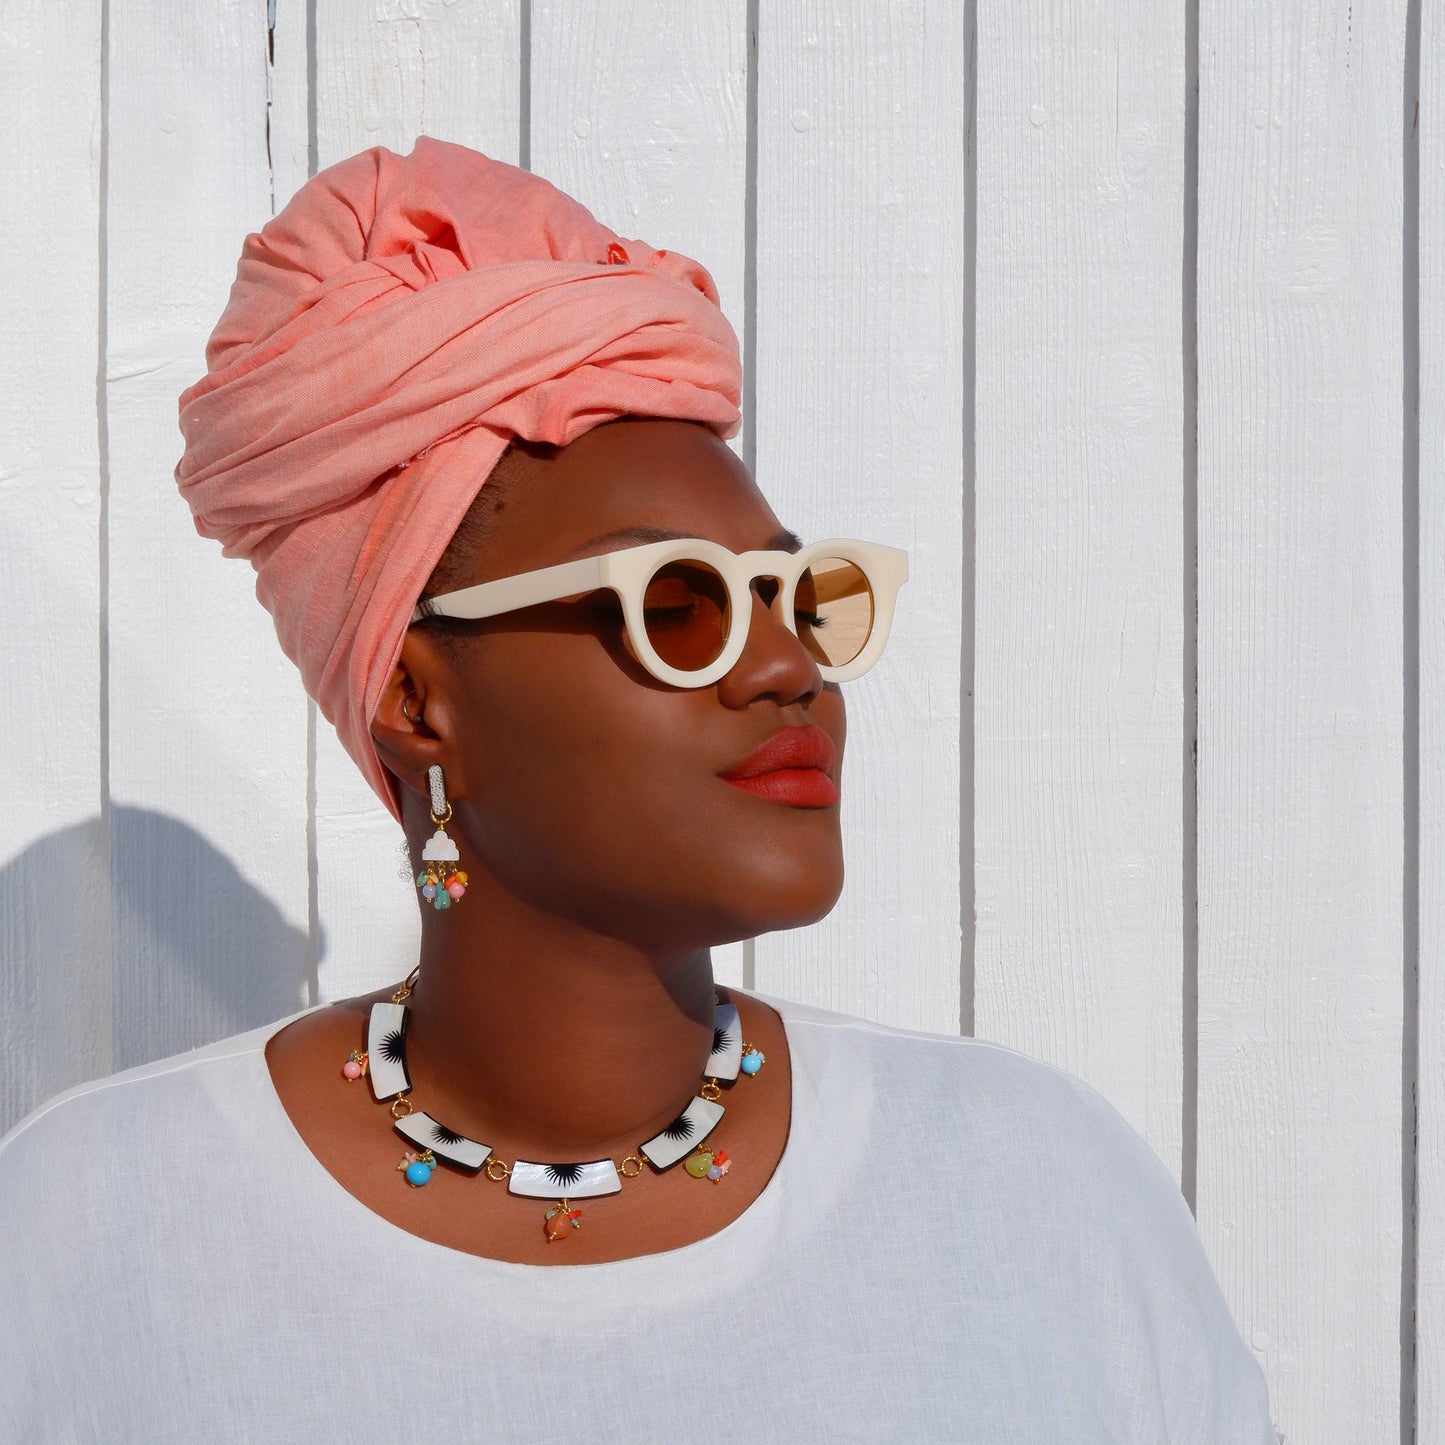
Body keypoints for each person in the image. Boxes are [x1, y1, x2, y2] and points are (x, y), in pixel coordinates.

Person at [0, 138, 1275, 1441]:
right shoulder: (89, 1225)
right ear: (415, 698)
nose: (785, 664)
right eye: (676, 604)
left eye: (796, 595)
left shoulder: (1034, 1187)